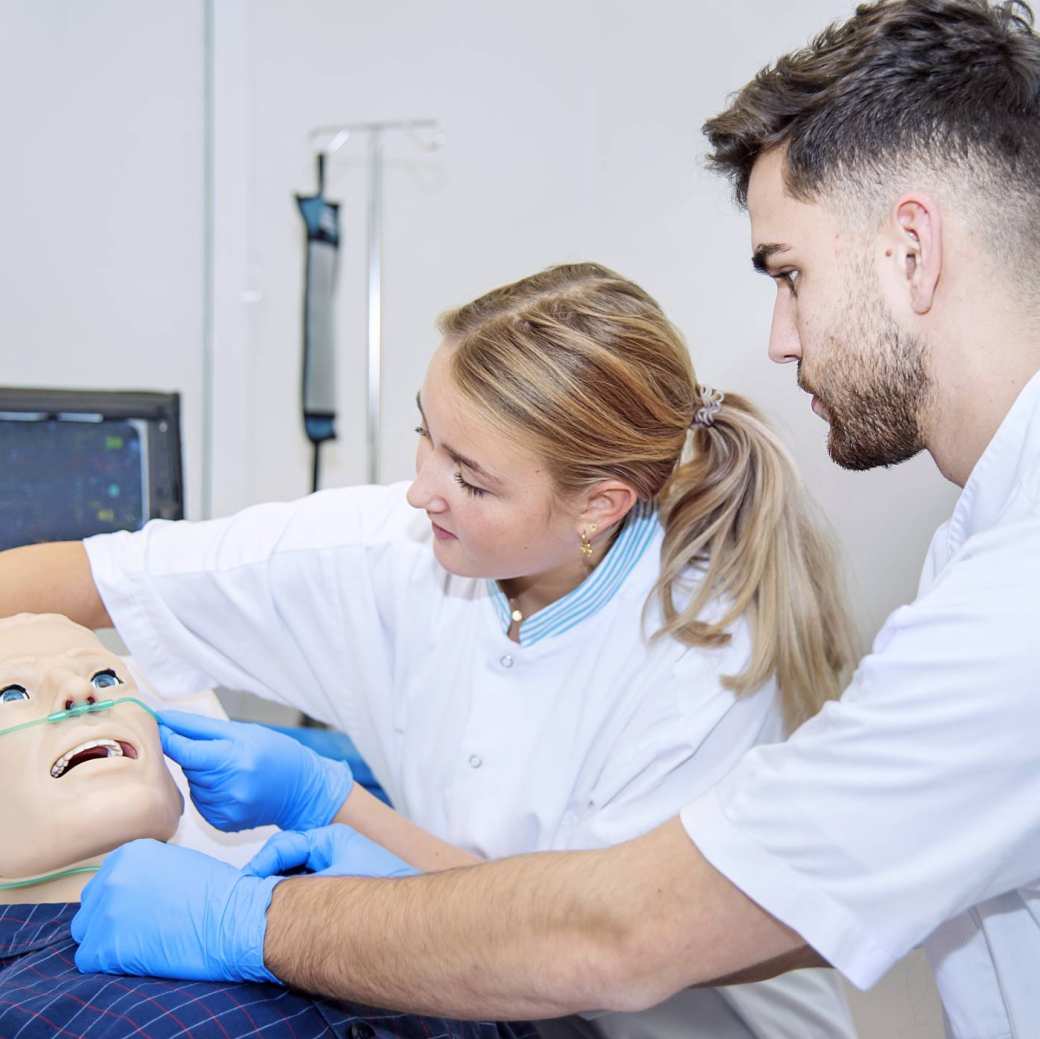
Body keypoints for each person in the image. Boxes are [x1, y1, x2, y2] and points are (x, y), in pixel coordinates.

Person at [56, 1, 1040, 1037]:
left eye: (788, 273)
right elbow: (812, 884)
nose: (779, 337)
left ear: (911, 249)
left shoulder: (1009, 608)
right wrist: (344, 815)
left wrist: (251, 918)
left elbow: (619, 936)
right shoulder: (983, 544)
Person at [0, 263, 859, 1037]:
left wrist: (331, 805)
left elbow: (580, 943)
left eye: (471, 478)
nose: (421, 490)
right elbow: (102, 576)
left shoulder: (702, 665)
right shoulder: (396, 545)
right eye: (427, 435)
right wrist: (338, 807)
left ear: (599, 505)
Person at [0, 612, 530, 1039]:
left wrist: (411, 914)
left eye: (105, 676)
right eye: (12, 694)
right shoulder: (31, 1011)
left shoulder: (335, 889)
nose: (81, 691)